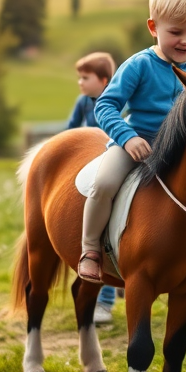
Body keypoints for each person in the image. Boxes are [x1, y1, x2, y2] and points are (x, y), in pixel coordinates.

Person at [77, 0, 186, 293]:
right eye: (175, 32)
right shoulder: (139, 65)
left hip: (182, 151)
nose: (185, 40)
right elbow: (106, 105)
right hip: (137, 144)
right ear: (153, 27)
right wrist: (127, 137)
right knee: (105, 182)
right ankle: (90, 250)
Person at [65, 51, 119, 325]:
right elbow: (71, 131)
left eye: (85, 78)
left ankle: (106, 301)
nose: (80, 83)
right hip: (88, 163)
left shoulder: (118, 101)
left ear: (104, 80)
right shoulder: (83, 102)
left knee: (106, 238)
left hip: (111, 158)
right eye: (80, 77)